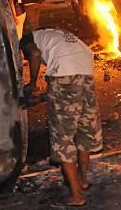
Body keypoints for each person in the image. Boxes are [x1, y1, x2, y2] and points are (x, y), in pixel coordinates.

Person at [20, 29, 102, 207]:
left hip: (65, 73)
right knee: (84, 131)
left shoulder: (26, 39)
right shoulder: (55, 36)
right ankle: (83, 181)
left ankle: (76, 196)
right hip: (86, 71)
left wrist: (33, 82)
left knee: (63, 138)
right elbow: (69, 91)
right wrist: (41, 98)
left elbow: (34, 54)